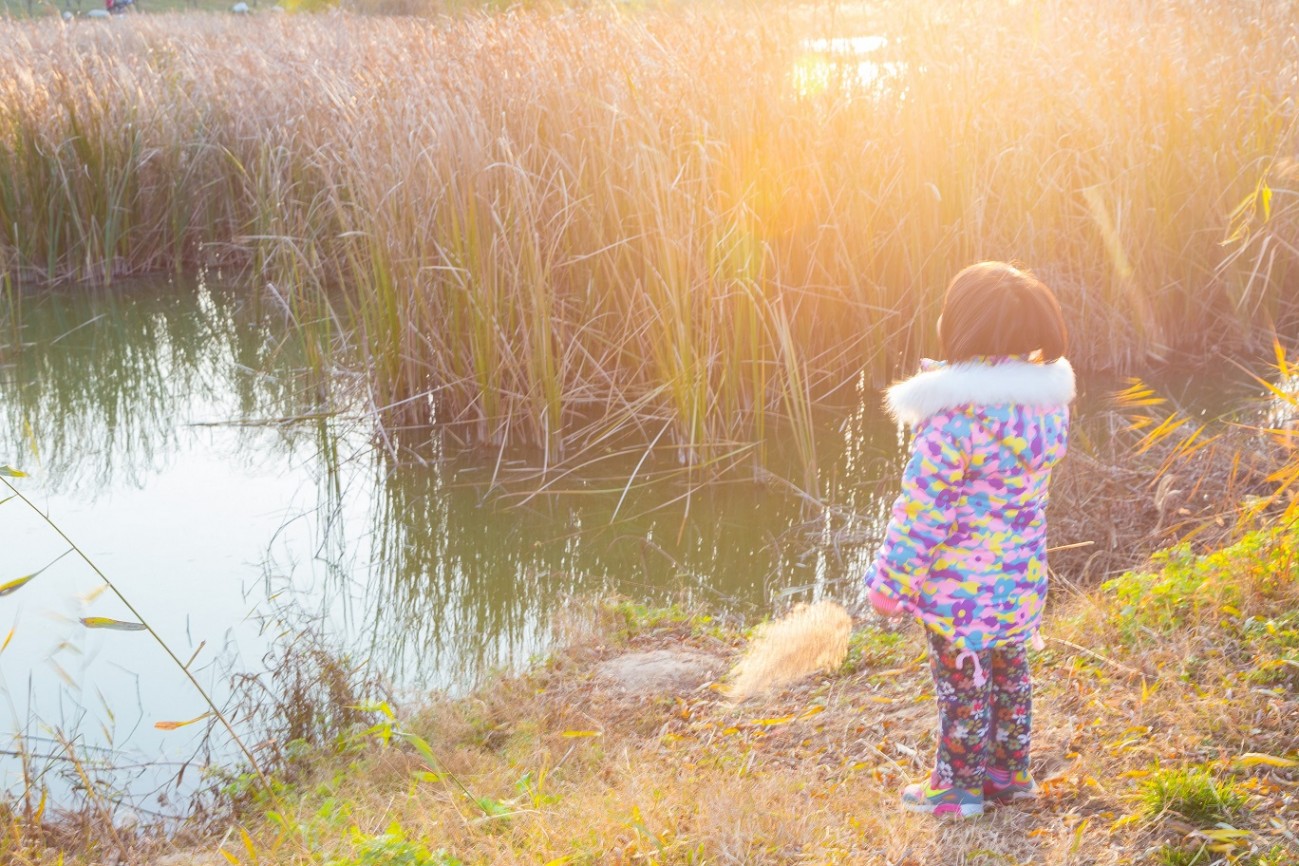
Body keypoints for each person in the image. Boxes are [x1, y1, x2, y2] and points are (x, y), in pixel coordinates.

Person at [864, 261, 1073, 818]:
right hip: (1020, 579)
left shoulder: (954, 416)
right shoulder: (1047, 405)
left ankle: (957, 788)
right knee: (1010, 672)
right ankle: (1009, 771)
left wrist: (891, 585)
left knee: (963, 686)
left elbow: (922, 513)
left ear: (960, 325)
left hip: (961, 593)